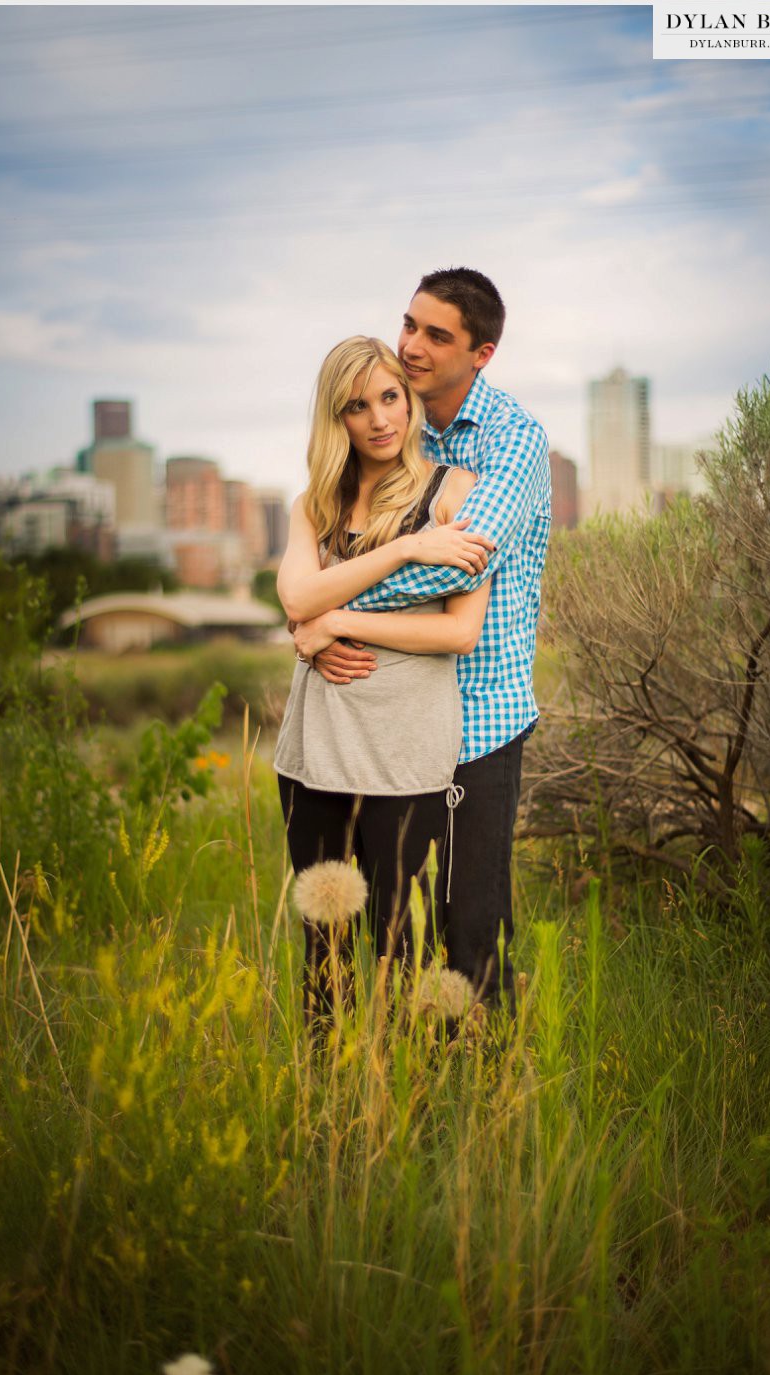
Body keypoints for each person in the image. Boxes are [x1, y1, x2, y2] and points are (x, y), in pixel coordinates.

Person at [298, 269, 551, 1011]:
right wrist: (309, 610)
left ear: (482, 353)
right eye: (409, 324)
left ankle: (487, 1100)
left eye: (437, 335)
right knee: (387, 932)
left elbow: (457, 562)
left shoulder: (513, 442)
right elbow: (327, 543)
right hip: (392, 722)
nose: (410, 345)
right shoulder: (391, 425)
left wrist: (323, 614)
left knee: (471, 931)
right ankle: (401, 1094)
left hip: (480, 721)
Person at [274, 335, 495, 1023]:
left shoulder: (455, 492)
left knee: (400, 946)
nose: (379, 419)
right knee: (324, 951)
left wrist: (335, 627)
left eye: (390, 397)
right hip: (315, 752)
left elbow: (460, 631)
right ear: (334, 418)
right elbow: (296, 601)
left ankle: (406, 1105)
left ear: (409, 396)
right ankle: (327, 1112)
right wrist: (405, 546)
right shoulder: (314, 503)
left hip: (404, 755)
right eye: (356, 405)